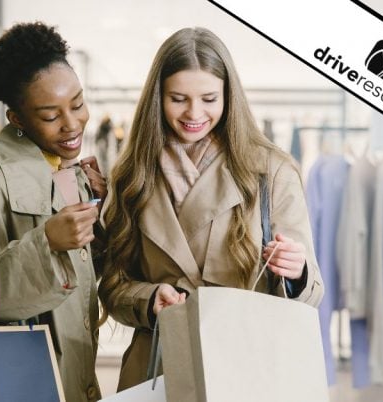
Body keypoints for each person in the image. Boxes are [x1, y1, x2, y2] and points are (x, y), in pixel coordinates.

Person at [98, 27, 325, 391]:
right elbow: (112, 286)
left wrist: (296, 271)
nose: (194, 113)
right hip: (156, 367)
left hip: (245, 365)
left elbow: (311, 293)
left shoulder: (271, 171)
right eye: (178, 98)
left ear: (228, 97)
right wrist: (151, 299)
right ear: (158, 98)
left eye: (208, 98)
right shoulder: (132, 175)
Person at [0, 22, 106, 402]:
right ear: (17, 119)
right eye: (50, 116)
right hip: (19, 381)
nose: (72, 123)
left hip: (77, 377)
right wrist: (45, 243)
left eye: (77, 104)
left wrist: (107, 213)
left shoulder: (74, 175)